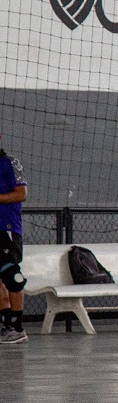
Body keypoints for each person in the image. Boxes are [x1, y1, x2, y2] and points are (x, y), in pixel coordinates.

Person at [0, 132, 27, 345]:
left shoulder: (11, 163)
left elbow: (21, 194)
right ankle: (7, 325)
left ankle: (18, 327)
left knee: (12, 276)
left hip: (6, 229)